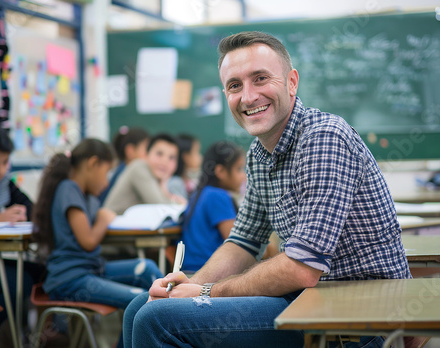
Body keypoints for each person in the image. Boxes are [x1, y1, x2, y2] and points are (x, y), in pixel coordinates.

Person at [123, 31, 411, 348]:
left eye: (260, 78)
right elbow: (242, 242)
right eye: (235, 85)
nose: (247, 97)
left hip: (356, 316)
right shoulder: (259, 154)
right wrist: (190, 284)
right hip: (307, 300)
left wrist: (206, 293)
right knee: (139, 308)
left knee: (156, 320)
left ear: (291, 82)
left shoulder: (324, 137)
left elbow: (303, 269)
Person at [32, 138, 163, 347]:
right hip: (70, 279)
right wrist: (103, 219)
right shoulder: (68, 188)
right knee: (142, 301)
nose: (107, 181)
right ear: (92, 164)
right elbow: (88, 241)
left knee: (146, 268)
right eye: (106, 172)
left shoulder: (88, 196)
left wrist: (102, 215)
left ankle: (170, 305)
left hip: (92, 270)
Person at [0, 124, 44, 344]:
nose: (0, 169)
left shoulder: (4, 183)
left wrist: (25, 213)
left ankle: (34, 335)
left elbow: (31, 207)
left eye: (5, 162)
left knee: (40, 273)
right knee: (19, 282)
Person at [180, 140, 246, 272]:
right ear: (220, 171)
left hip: (190, 271)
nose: (244, 176)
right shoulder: (217, 196)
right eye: (239, 169)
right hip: (205, 275)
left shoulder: (199, 193)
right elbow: (239, 245)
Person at [104, 133, 186, 215]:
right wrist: (178, 202)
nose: (164, 161)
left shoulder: (157, 177)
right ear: (146, 154)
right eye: (159, 154)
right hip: (112, 225)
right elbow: (159, 205)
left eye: (171, 158)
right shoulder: (139, 167)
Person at [99, 126, 149, 204]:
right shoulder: (130, 170)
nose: (149, 154)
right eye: (146, 149)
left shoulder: (121, 168)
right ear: (130, 150)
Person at [168, 134, 203, 199]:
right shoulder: (175, 183)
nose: (200, 157)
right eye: (197, 152)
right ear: (186, 157)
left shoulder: (190, 181)